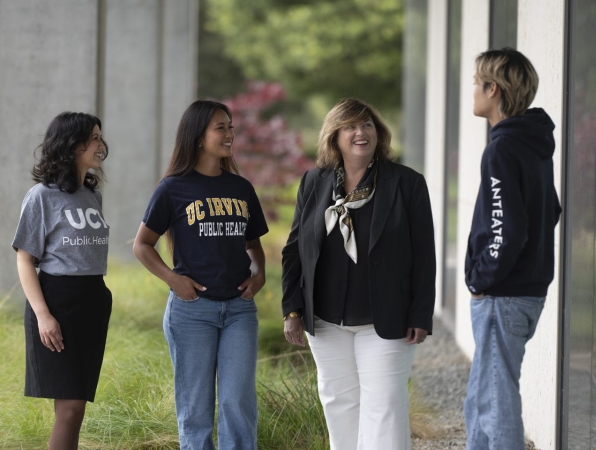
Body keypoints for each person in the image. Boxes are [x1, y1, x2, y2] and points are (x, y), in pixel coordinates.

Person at [281, 98, 436, 450]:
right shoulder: (314, 182)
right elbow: (294, 250)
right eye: (350, 126)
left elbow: (425, 256)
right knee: (339, 405)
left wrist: (420, 314)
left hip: (386, 320)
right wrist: (292, 308)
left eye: (367, 125)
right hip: (325, 321)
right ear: (334, 136)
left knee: (384, 409)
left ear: (378, 133)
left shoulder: (407, 183)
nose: (360, 132)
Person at [133, 100, 269, 450]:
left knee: (237, 402)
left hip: (239, 310)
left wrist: (259, 273)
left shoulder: (241, 188)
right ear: (198, 137)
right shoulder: (172, 188)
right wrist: (173, 280)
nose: (229, 134)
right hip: (192, 312)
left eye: (230, 126)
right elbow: (142, 245)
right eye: (220, 128)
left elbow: (252, 243)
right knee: (195, 409)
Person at [463, 48, 562, 449]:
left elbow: (508, 229)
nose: (472, 91)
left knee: (496, 402)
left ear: (494, 89)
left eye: (476, 83)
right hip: (525, 292)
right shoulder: (533, 144)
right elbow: (551, 209)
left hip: (503, 295)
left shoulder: (502, 149)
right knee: (480, 398)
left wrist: (482, 277)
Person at [12, 112, 112, 450]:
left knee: (77, 406)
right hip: (58, 301)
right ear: (72, 145)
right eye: (94, 138)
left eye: (100, 137)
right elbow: (25, 259)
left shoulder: (91, 195)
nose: (102, 145)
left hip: (93, 300)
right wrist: (44, 315)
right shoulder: (41, 196)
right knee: (69, 407)